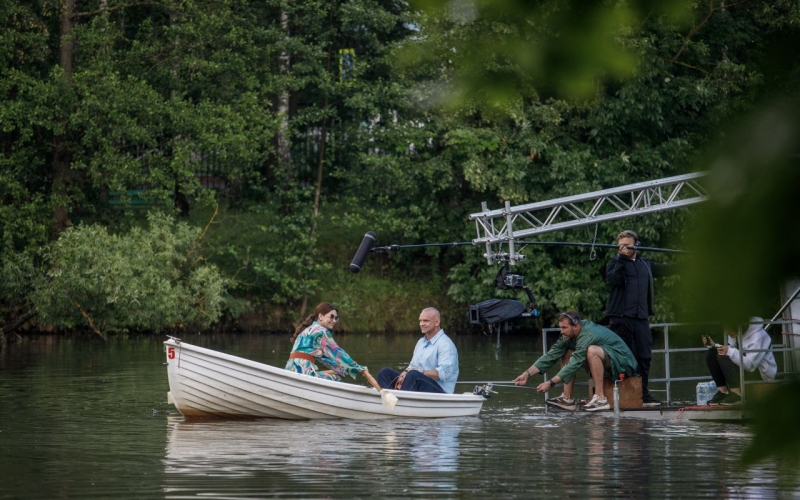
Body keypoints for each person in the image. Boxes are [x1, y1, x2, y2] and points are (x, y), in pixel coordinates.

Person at [513, 310, 638, 411]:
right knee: (567, 351)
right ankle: (568, 399)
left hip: (623, 364)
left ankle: (600, 399)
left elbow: (575, 363)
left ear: (576, 326)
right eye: (560, 328)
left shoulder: (587, 334)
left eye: (564, 328)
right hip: (608, 362)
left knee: (592, 350)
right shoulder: (568, 336)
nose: (561, 331)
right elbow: (550, 356)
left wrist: (551, 383)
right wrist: (526, 374)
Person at [604, 229, 675, 407]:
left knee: (644, 355)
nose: (624, 249)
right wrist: (622, 259)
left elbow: (667, 269)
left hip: (641, 317)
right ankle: (625, 394)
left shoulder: (645, 264)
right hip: (620, 318)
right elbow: (614, 281)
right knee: (626, 356)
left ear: (636, 245)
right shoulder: (614, 262)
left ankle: (643, 394)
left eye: (627, 245)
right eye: (620, 246)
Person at [285, 302, 373, 383]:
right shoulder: (322, 331)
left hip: (289, 369)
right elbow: (338, 353)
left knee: (332, 375)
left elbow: (325, 358)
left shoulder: (307, 330)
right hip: (303, 371)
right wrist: (357, 367)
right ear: (321, 316)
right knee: (337, 380)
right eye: (331, 316)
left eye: (336, 318)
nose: (334, 321)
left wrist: (345, 370)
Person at [377, 307, 459, 393]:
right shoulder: (421, 342)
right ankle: (390, 400)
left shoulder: (446, 344)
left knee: (413, 375)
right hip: (418, 381)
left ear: (437, 322)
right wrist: (404, 375)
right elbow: (412, 366)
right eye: (420, 321)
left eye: (426, 321)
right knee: (385, 373)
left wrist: (419, 372)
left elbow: (444, 374)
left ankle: (400, 402)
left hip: (440, 391)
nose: (421, 324)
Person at [703, 317, 778, 406]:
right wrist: (714, 345)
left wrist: (729, 351)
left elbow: (751, 366)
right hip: (744, 368)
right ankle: (723, 392)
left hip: (760, 373)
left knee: (724, 356)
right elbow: (732, 350)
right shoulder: (737, 333)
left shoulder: (758, 336)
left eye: (728, 329)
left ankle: (737, 395)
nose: (727, 332)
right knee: (711, 353)